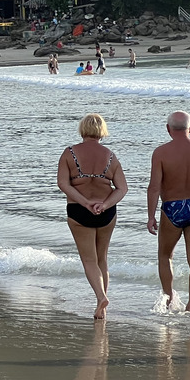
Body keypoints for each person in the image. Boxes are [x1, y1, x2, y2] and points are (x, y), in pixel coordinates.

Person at [57, 113, 128, 320]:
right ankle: (102, 307)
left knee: (89, 260)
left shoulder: (69, 153)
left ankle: (101, 297)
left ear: (82, 129)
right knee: (102, 259)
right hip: (106, 212)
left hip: (79, 211)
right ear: (101, 131)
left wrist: (85, 202)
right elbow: (122, 188)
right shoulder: (111, 156)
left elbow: (63, 184)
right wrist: (104, 204)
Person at [147, 111, 190, 311]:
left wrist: (151, 216)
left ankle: (169, 300)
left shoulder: (161, 153)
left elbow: (154, 187)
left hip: (172, 207)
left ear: (168, 129)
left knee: (165, 256)